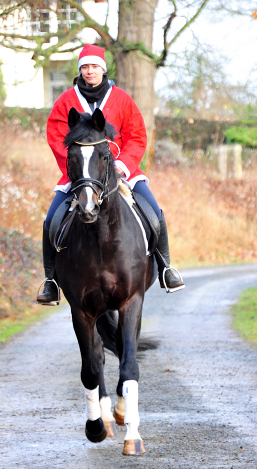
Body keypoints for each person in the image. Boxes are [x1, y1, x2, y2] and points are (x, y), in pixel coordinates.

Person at [37, 44, 184, 304]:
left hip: (123, 173)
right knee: (51, 221)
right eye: (85, 67)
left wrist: (123, 164)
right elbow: (56, 138)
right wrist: (77, 173)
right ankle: (51, 281)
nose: (89, 71)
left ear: (102, 70)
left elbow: (137, 136)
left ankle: (165, 268)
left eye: (94, 66)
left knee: (155, 214)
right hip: (81, 177)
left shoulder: (122, 98)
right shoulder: (66, 101)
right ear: (79, 70)